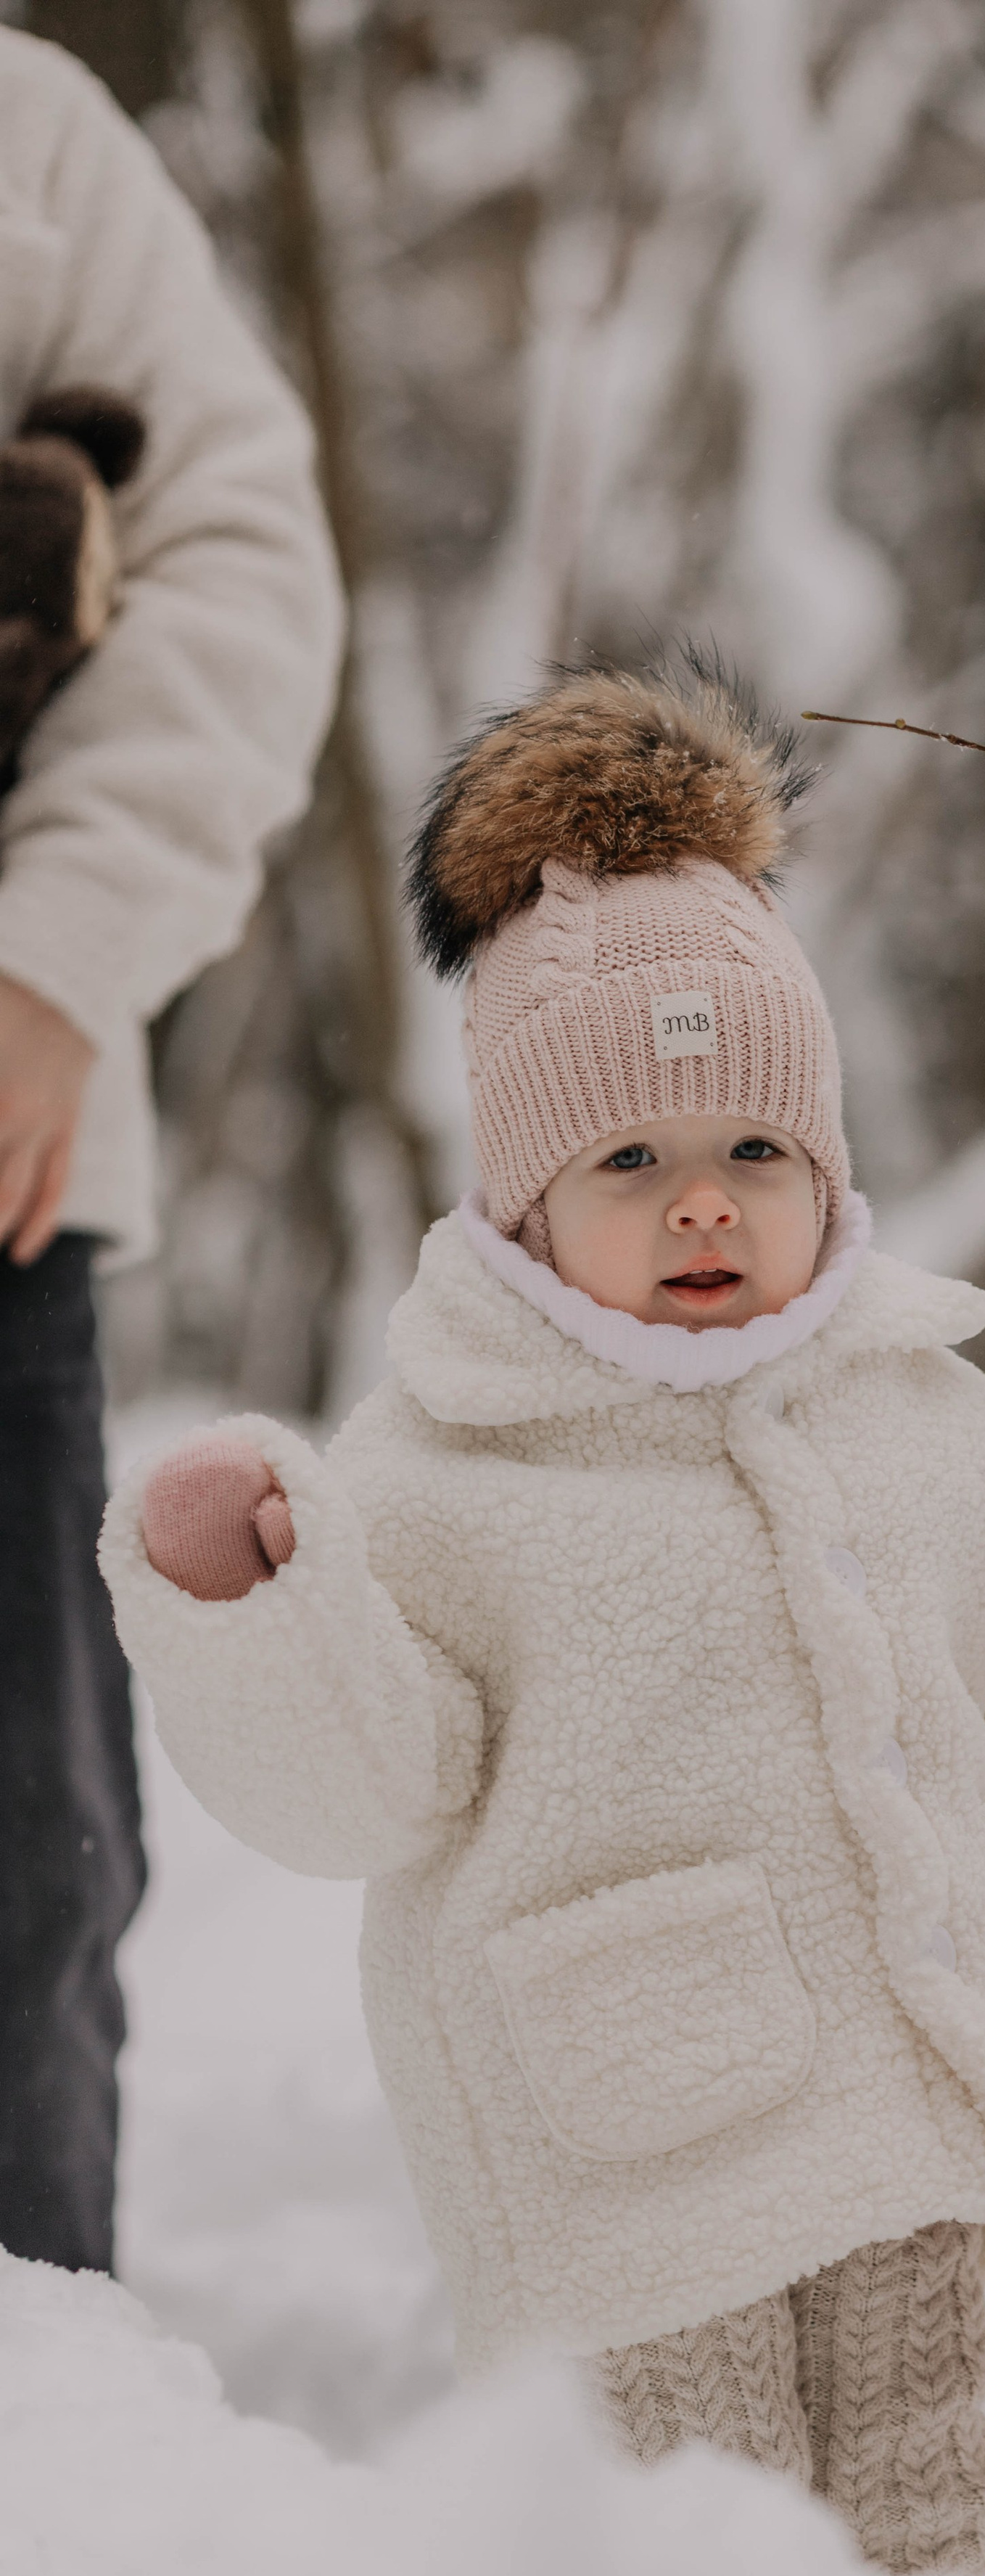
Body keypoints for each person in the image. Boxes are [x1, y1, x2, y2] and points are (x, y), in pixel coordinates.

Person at [99, 663, 985, 2576]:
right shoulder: (444, 1470)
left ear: (824, 1166)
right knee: (703, 2551)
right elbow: (363, 1787)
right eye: (632, 1162)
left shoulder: (915, 1412)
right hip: (630, 2164)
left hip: (912, 2113)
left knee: (928, 2498)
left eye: (754, 1151)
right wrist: (256, 1609)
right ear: (526, 1205)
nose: (704, 1206)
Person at [0, 29, 342, 2272]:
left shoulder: (23, 139)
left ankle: (43, 2421)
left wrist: (55, 962)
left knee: (15, 1886)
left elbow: (237, 552)